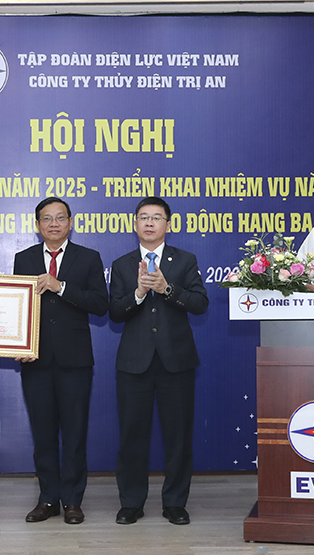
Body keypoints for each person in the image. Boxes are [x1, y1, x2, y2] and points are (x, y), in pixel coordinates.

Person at [108, 196, 209, 526]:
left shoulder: (185, 260)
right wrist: (138, 293)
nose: (149, 222)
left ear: (168, 224)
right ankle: (131, 502)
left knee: (178, 436)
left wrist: (167, 288)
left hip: (176, 361)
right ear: (134, 224)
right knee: (131, 436)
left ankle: (175, 503)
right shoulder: (122, 264)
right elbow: (114, 312)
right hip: (133, 363)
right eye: (143, 217)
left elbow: (200, 304)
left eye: (156, 217)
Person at [13, 197, 109, 525]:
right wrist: (16, 341)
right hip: (35, 359)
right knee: (43, 434)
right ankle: (48, 499)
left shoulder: (88, 257)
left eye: (60, 218)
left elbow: (100, 304)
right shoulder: (23, 258)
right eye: (46, 218)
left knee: (74, 433)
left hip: (75, 360)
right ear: (37, 225)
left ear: (70, 222)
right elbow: (18, 307)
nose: (53, 224)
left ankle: (72, 500)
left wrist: (60, 286)